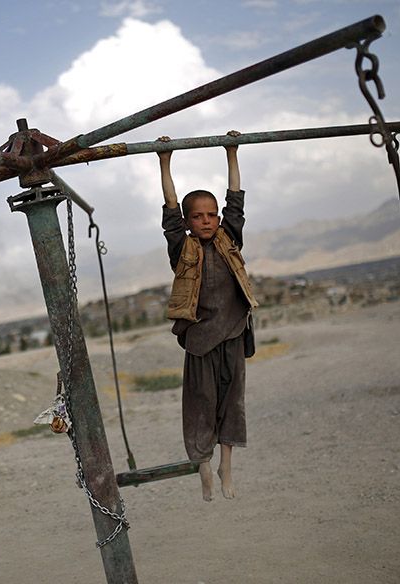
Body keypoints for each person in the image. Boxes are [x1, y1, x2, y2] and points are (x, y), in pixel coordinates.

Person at [157, 130, 259, 501]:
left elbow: (236, 201)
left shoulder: (229, 236)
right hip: (200, 339)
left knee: (232, 402)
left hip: (232, 332)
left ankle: (226, 466)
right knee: (201, 405)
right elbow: (169, 208)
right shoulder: (180, 246)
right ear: (188, 222)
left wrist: (231, 152)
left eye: (211, 215)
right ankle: (203, 465)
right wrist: (164, 160)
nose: (207, 221)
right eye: (198, 216)